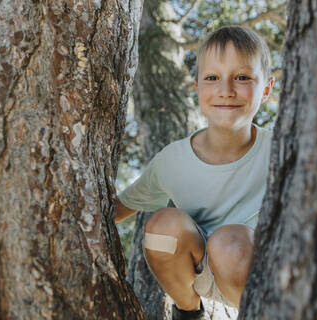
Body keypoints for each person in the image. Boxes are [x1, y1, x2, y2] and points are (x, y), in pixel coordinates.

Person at [114, 25, 275, 319]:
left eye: (242, 77)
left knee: (229, 243)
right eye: (212, 78)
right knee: (162, 224)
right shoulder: (173, 162)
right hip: (199, 271)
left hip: (257, 274)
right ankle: (188, 310)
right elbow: (119, 207)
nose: (226, 90)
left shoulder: (280, 152)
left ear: (266, 89)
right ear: (197, 86)